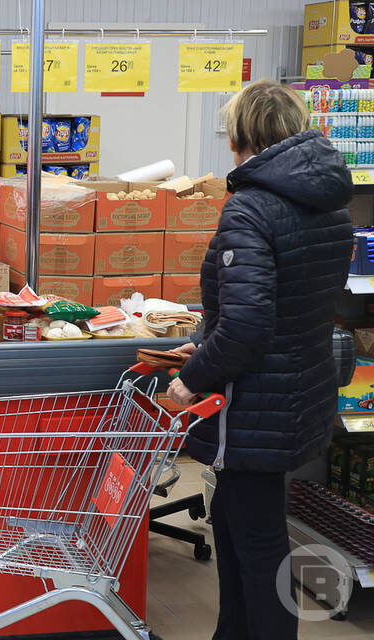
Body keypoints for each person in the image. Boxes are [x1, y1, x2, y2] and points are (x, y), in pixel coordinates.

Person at [166, 79, 353, 639]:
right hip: (297, 396)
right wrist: (206, 340)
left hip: (253, 406)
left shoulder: (250, 208)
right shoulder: (328, 204)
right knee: (235, 528)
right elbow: (291, 306)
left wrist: (191, 378)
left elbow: (247, 328)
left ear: (242, 136)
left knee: (259, 544)